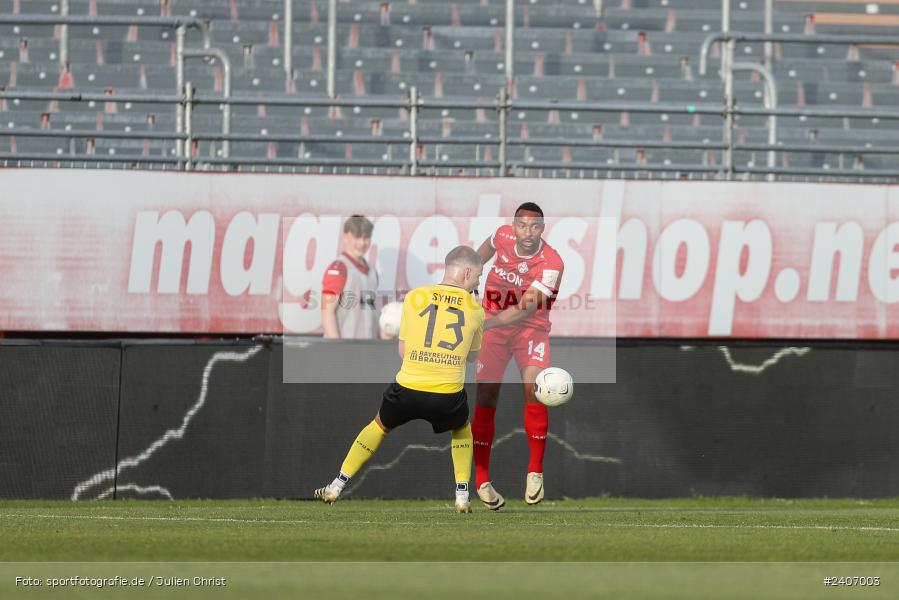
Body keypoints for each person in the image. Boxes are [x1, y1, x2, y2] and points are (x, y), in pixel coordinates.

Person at [315, 245, 486, 513]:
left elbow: (403, 351)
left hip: (408, 387)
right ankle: (462, 495)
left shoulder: (415, 297)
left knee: (379, 425)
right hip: (447, 393)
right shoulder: (476, 309)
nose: (478, 282)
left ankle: (337, 484)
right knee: (462, 428)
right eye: (478, 276)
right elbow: (472, 358)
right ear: (466, 272)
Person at [472, 202, 564, 509]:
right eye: (522, 226)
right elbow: (480, 253)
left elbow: (525, 308)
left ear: (542, 228)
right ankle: (482, 480)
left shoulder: (552, 264)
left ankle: (535, 472)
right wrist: (470, 279)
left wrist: (484, 321)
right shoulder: (501, 236)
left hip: (530, 329)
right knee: (485, 398)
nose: (528, 233)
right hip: (495, 332)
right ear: (513, 227)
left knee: (534, 389)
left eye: (534, 227)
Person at [321, 215, 379, 339]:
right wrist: (337, 348)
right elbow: (327, 312)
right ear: (345, 237)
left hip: (368, 352)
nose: (362, 243)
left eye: (366, 238)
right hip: (344, 353)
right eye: (357, 237)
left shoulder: (373, 272)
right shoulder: (338, 269)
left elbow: (372, 314)